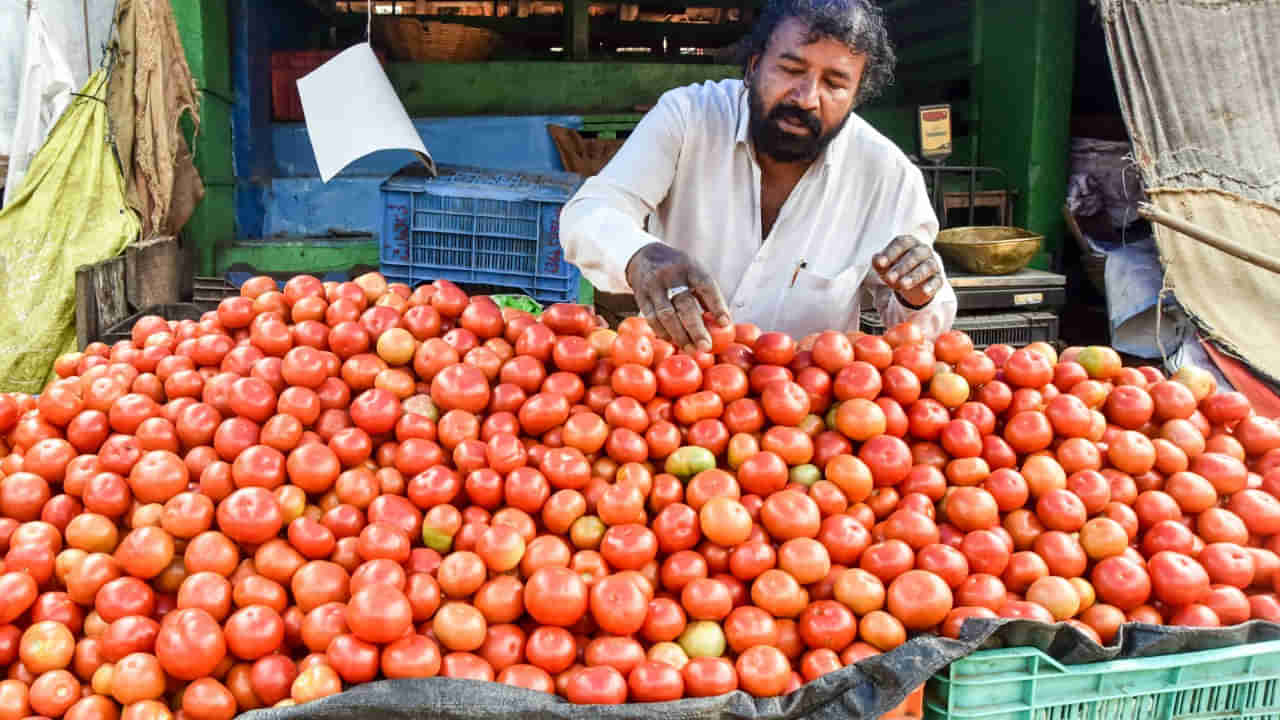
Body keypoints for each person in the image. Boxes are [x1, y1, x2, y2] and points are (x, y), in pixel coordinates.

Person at [560, 0, 957, 353]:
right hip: (677, 399)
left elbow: (923, 330)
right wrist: (637, 255)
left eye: (835, 84)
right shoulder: (688, 117)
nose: (806, 97)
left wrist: (918, 296)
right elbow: (590, 211)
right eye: (790, 69)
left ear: (856, 97)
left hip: (808, 418)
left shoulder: (886, 175)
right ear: (753, 67)